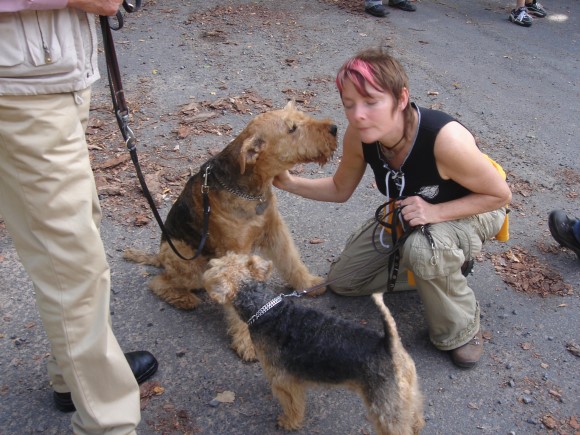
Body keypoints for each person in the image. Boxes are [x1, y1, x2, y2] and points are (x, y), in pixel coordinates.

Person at [274, 47, 512, 369]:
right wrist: (289, 183)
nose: (357, 115)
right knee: (343, 282)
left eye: (371, 102)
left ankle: (460, 328)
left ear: (401, 99)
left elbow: (499, 195)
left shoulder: (444, 140)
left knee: (425, 250)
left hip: (474, 208)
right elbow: (340, 188)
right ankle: (443, 268)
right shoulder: (360, 136)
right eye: (349, 104)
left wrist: (435, 213)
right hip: (414, 211)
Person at [0, 0, 158, 432]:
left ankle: (77, 375)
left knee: (72, 236)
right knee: (71, 260)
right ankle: (109, 423)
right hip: (21, 81)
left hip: (46, 68)